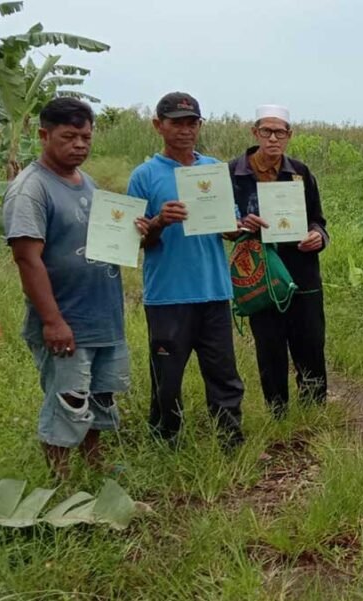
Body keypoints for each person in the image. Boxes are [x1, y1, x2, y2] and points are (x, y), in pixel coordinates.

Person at [2, 98, 147, 478]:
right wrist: (52, 321)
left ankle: (95, 464)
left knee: (99, 397)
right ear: (44, 135)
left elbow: (104, 238)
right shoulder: (31, 189)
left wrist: (136, 231)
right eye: (69, 136)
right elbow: (27, 259)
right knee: (67, 400)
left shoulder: (88, 183)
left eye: (85, 136)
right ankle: (60, 482)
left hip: (103, 316)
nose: (80, 144)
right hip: (66, 319)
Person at [129, 92, 247, 449]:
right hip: (168, 296)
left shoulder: (213, 169)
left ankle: (230, 442)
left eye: (191, 122)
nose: (184, 130)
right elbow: (137, 242)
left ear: (199, 125)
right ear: (158, 125)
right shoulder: (145, 176)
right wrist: (159, 221)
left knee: (224, 375)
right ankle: (166, 442)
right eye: (175, 122)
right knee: (167, 377)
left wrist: (239, 226)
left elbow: (228, 229)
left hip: (214, 292)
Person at [229, 104, 329, 418]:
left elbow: (318, 221)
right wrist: (241, 226)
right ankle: (278, 414)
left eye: (280, 132)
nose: (273, 138)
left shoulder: (299, 172)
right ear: (254, 132)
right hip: (259, 273)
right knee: (269, 347)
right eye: (266, 131)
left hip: (301, 272)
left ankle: (313, 412)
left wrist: (317, 237)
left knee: (310, 344)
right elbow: (221, 225)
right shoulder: (233, 173)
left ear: (289, 135)